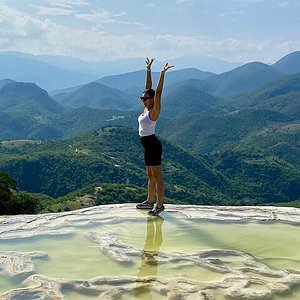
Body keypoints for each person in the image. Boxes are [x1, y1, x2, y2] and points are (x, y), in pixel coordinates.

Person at [136, 58, 174, 216]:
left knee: (157, 176)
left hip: (152, 145)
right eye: (142, 98)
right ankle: (149, 200)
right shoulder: (146, 108)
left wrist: (162, 74)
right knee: (150, 175)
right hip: (147, 145)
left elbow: (157, 92)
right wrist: (148, 69)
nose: (143, 100)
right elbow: (148, 88)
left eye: (146, 98)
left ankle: (159, 205)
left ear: (152, 100)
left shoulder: (154, 111)